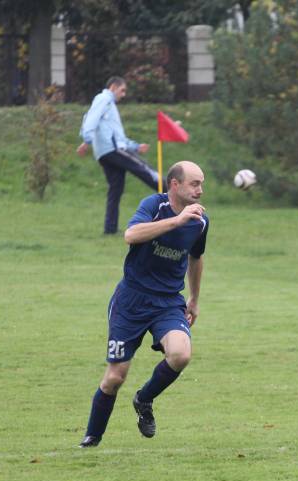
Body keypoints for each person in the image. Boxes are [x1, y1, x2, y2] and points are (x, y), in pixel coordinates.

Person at [78, 161, 209, 448]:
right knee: (115, 377)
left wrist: (195, 299)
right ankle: (92, 439)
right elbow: (131, 235)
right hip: (132, 301)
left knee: (180, 355)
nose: (200, 190)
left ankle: (144, 399)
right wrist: (176, 221)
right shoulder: (154, 205)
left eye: (201, 184)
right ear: (175, 185)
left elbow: (196, 258)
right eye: (194, 184)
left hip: (167, 303)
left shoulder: (200, 221)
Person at [78, 76, 165, 235]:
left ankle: (110, 229)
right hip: (112, 149)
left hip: (105, 152)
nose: (123, 94)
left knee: (115, 189)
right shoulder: (104, 98)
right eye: (122, 90)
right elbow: (90, 118)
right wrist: (87, 140)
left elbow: (116, 134)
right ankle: (174, 195)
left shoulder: (108, 105)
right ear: (113, 87)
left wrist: (135, 146)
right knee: (145, 170)